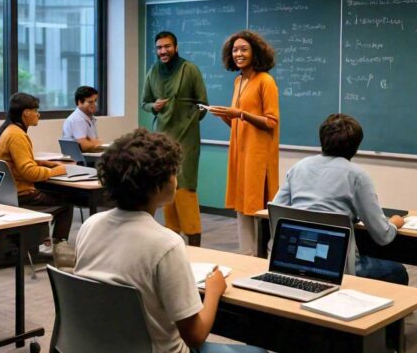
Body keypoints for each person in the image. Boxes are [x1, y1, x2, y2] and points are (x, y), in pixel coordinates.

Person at [75, 128, 265, 353]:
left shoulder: (90, 225)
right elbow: (195, 336)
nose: (176, 180)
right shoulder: (166, 244)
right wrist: (214, 291)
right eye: (173, 173)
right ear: (157, 186)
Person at [272, 113, 408, 285]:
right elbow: (382, 236)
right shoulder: (357, 176)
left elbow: (276, 212)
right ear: (356, 146)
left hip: (294, 259)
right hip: (338, 266)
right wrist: (395, 222)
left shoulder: (298, 167)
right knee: (398, 272)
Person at [209, 31, 279, 256]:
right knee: (242, 208)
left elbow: (271, 122)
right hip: (240, 153)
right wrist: (226, 116)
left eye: (243, 49)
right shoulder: (239, 80)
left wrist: (240, 114)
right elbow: (241, 123)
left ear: (255, 52)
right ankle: (246, 256)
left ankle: (260, 258)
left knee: (256, 208)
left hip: (258, 157)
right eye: (235, 50)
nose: (238, 53)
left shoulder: (265, 81)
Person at [141, 31, 208, 247]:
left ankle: (194, 240)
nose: (163, 51)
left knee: (185, 186)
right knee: (166, 184)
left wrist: (187, 118)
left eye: (167, 46)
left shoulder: (190, 69)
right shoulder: (153, 71)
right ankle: (172, 240)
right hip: (162, 139)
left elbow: (203, 105)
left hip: (187, 137)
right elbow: (145, 102)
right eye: (159, 47)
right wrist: (154, 107)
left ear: (176, 47)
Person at [0, 92, 74, 255]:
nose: (38, 114)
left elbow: (20, 164)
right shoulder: (17, 135)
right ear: (26, 112)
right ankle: (58, 251)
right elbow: (29, 173)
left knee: (54, 194)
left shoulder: (9, 130)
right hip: (22, 195)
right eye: (36, 110)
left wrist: (42, 163)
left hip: (9, 195)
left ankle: (43, 244)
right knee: (67, 205)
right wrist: (55, 171)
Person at [62, 86, 103, 152]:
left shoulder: (89, 118)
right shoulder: (78, 119)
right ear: (80, 103)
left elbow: (92, 143)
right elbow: (83, 145)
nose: (95, 104)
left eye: (95, 101)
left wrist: (92, 142)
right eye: (90, 102)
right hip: (82, 161)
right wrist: (96, 143)